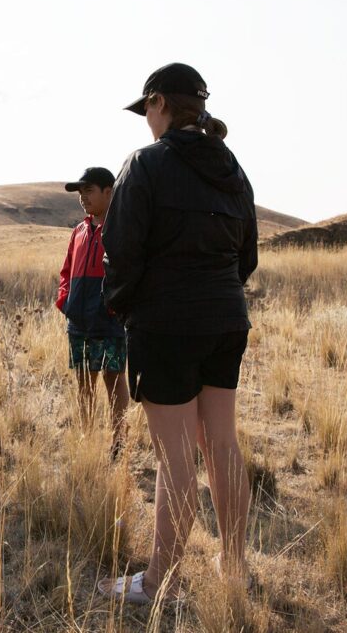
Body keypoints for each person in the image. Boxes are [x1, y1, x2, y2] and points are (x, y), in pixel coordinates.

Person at [96, 63, 258, 604]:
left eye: (147, 110)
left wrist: (123, 308)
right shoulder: (232, 166)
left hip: (167, 325)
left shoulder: (144, 164)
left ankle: (156, 581)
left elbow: (121, 252)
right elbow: (247, 254)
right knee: (222, 445)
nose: (146, 121)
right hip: (226, 319)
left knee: (175, 455)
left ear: (161, 103)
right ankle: (232, 567)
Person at [56, 167, 129, 453]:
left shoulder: (122, 228)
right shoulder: (80, 230)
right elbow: (66, 272)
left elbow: (131, 273)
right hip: (79, 321)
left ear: (108, 192)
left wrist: (116, 307)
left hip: (110, 321)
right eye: (80, 192)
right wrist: (66, 302)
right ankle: (86, 440)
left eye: (88, 191)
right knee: (84, 381)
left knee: (114, 379)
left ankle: (119, 441)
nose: (82, 197)